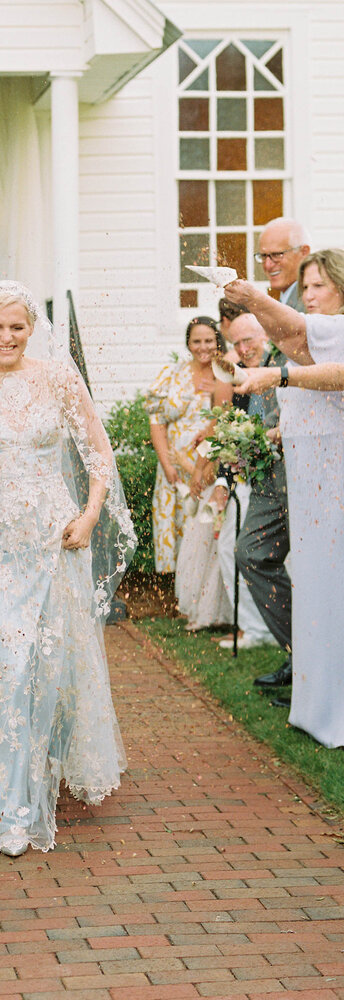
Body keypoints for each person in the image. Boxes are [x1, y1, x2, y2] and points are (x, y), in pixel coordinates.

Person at [0, 280, 136, 856]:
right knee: (7, 666)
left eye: (17, 326)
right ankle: (5, 808)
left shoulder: (58, 378)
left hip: (53, 542)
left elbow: (98, 452)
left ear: (32, 328)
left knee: (44, 670)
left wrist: (91, 514)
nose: (6, 337)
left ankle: (29, 783)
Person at [226, 249, 344, 748]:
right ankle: (318, 697)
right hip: (313, 495)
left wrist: (253, 297)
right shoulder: (315, 335)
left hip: (335, 490)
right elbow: (294, 339)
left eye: (318, 285)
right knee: (319, 594)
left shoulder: (336, 331)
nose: (309, 295)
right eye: (306, 286)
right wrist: (269, 436)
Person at [228, 217, 308, 695]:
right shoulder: (277, 302)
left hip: (307, 456)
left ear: (303, 251)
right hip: (270, 462)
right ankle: (301, 653)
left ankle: (316, 665)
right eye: (262, 256)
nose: (268, 264)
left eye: (277, 254)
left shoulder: (314, 301)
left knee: (319, 566)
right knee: (253, 552)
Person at [144, 317, 232, 628]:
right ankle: (184, 602)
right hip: (175, 465)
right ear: (188, 343)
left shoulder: (226, 373)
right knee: (179, 526)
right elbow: (157, 422)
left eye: (209, 340)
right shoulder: (172, 374)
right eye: (197, 341)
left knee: (203, 530)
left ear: (218, 341)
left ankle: (207, 602)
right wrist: (167, 465)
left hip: (208, 466)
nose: (203, 347)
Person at [206, 314, 278, 650]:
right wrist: (223, 481)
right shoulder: (240, 381)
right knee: (230, 548)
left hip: (277, 482)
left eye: (248, 340)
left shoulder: (279, 373)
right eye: (236, 343)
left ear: (266, 335)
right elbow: (234, 436)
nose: (243, 348)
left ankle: (264, 629)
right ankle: (252, 627)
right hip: (246, 480)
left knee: (256, 554)